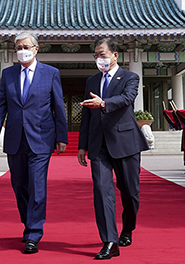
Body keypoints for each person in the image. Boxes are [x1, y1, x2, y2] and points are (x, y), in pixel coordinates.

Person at [0, 32, 67, 254]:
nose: (22, 50)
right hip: (15, 139)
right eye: (19, 47)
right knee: (19, 185)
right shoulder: (8, 74)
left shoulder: (50, 73)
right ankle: (28, 221)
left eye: (26, 46)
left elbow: (58, 106)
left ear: (36, 49)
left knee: (37, 185)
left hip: (41, 139)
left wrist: (61, 136)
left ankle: (34, 232)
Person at [78, 37, 149, 260]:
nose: (99, 59)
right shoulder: (91, 81)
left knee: (130, 192)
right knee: (101, 191)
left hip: (125, 143)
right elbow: (86, 118)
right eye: (96, 55)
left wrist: (104, 103)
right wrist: (82, 146)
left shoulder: (130, 77)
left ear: (115, 55)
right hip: (99, 146)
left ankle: (127, 228)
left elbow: (127, 99)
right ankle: (110, 240)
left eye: (103, 54)